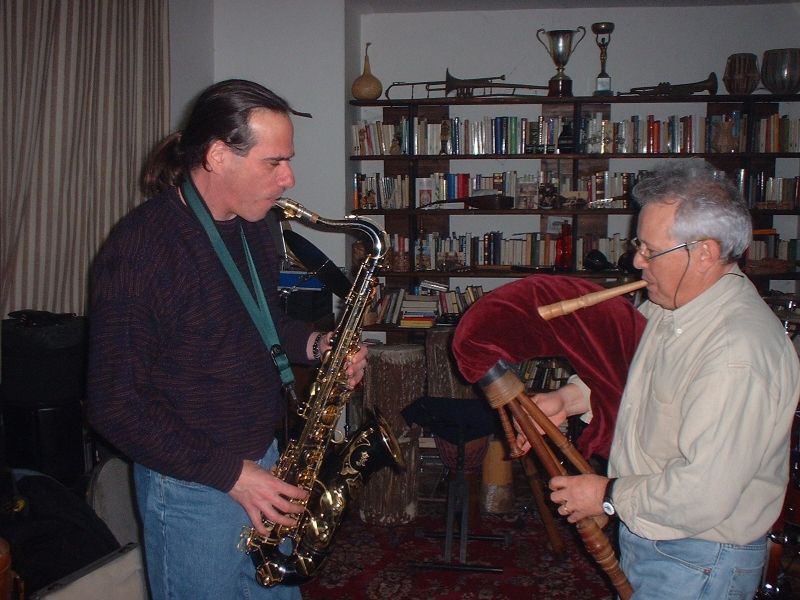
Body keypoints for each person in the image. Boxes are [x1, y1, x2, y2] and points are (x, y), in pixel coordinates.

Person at [86, 79, 367, 600]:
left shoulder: (255, 225)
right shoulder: (141, 250)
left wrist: (319, 347)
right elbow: (114, 404)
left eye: (288, 161)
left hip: (264, 460)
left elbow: (260, 325)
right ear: (217, 156)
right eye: (273, 162)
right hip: (191, 485)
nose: (289, 178)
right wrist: (234, 476)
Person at [548, 159, 800, 599]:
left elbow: (702, 494)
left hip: (700, 558)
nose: (636, 261)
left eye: (651, 250)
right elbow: (626, 367)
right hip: (663, 540)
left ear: (704, 252)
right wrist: (568, 398)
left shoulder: (736, 352)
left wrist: (607, 494)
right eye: (638, 245)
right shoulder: (669, 307)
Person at [451, 274, 646, 464]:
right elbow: (635, 385)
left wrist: (609, 485)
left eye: (651, 254)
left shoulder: (657, 322)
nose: (638, 262)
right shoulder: (652, 312)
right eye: (642, 252)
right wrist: (566, 400)